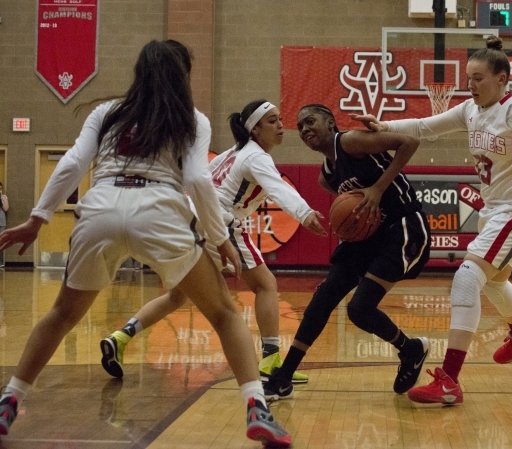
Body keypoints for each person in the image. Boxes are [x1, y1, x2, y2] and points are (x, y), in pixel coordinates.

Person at [0, 40, 291, 446]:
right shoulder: (191, 118)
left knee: (61, 315)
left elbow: (71, 163)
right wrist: (221, 238)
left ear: (139, 72)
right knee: (224, 313)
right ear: (183, 76)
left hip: (99, 208)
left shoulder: (106, 112)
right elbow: (196, 180)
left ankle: (10, 399)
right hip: (158, 210)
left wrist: (37, 219)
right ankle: (257, 408)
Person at [351, 36, 512, 405]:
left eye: (479, 78)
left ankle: (450, 381)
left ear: (502, 79)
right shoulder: (470, 110)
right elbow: (423, 127)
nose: (470, 85)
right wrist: (383, 125)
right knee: (495, 282)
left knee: (468, 275)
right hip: (496, 208)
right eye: (468, 77)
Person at [100, 99, 327, 384]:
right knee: (266, 285)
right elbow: (278, 188)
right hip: (219, 222)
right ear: (255, 129)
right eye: (273, 121)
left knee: (178, 295)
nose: (281, 126)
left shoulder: (233, 152)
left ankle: (120, 337)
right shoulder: (256, 156)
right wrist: (304, 213)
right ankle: (271, 362)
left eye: (281, 119)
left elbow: (200, 178)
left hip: (189, 220)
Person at [262, 103, 431, 401]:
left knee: (359, 309)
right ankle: (283, 378)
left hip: (403, 227)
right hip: (370, 237)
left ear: (330, 123)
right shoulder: (326, 176)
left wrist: (378, 188)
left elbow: (410, 142)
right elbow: (351, 207)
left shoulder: (350, 141)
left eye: (310, 121)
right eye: (300, 127)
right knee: (323, 298)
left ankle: (411, 349)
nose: (304, 129)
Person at [0, 183, 8, 268]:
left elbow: (6, 208)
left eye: (1, 188)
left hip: (1, 222)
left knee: (1, 241)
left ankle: (0, 261)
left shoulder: (4, 197)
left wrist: (1, 199)